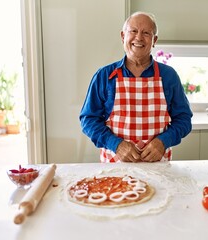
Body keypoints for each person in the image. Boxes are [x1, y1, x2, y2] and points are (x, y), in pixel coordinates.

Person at [80, 12, 192, 163]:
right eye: (133, 31)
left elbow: (184, 120)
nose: (139, 38)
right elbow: (88, 119)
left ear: (154, 40)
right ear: (122, 36)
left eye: (146, 33)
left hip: (158, 167)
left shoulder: (169, 76)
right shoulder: (104, 76)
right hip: (115, 166)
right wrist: (116, 144)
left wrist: (163, 142)